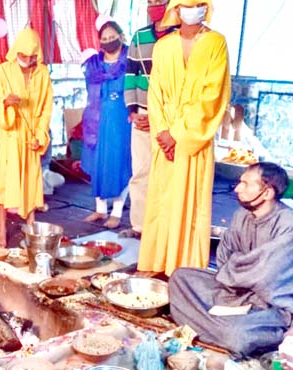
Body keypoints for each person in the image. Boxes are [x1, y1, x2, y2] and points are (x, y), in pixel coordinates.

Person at [169, 163, 293, 356]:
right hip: (235, 290)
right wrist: (243, 268)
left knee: (236, 334)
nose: (238, 188)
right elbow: (223, 256)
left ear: (267, 193)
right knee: (180, 277)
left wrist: (239, 265)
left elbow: (266, 275)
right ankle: (214, 325)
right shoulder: (242, 215)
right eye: (240, 182)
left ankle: (212, 327)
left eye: (246, 184)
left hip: (272, 304)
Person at [137, 0, 231, 276]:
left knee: (190, 202)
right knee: (161, 200)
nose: (193, 10)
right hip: (164, 139)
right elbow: (155, 94)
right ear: (175, 9)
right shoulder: (164, 46)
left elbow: (213, 97)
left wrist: (177, 134)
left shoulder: (216, 43)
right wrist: (163, 132)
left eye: (199, 4)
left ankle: (184, 269)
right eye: (187, 5)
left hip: (193, 140)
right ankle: (156, 262)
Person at [0, 29, 54, 248]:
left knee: (32, 182)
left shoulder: (42, 73)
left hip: (31, 135)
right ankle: (1, 232)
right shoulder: (3, 71)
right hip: (10, 133)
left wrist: (40, 135)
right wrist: (6, 103)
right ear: (15, 52)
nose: (26, 60)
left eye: (31, 57)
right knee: (5, 183)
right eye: (22, 56)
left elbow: (46, 109)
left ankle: (31, 228)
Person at [121, 0, 173, 239]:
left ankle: (162, 231)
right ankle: (139, 227)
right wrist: (133, 111)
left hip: (169, 119)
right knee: (140, 172)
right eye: (149, 1)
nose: (153, 5)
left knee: (167, 175)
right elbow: (131, 75)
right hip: (140, 116)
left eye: (159, 0)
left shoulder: (181, 37)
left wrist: (160, 119)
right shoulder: (140, 37)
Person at [80, 20, 132, 230]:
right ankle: (100, 209)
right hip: (95, 118)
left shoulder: (131, 60)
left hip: (121, 118)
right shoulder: (93, 64)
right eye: (105, 38)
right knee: (96, 162)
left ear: (121, 36)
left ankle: (117, 213)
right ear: (99, 41)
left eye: (112, 37)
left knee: (118, 164)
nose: (109, 41)